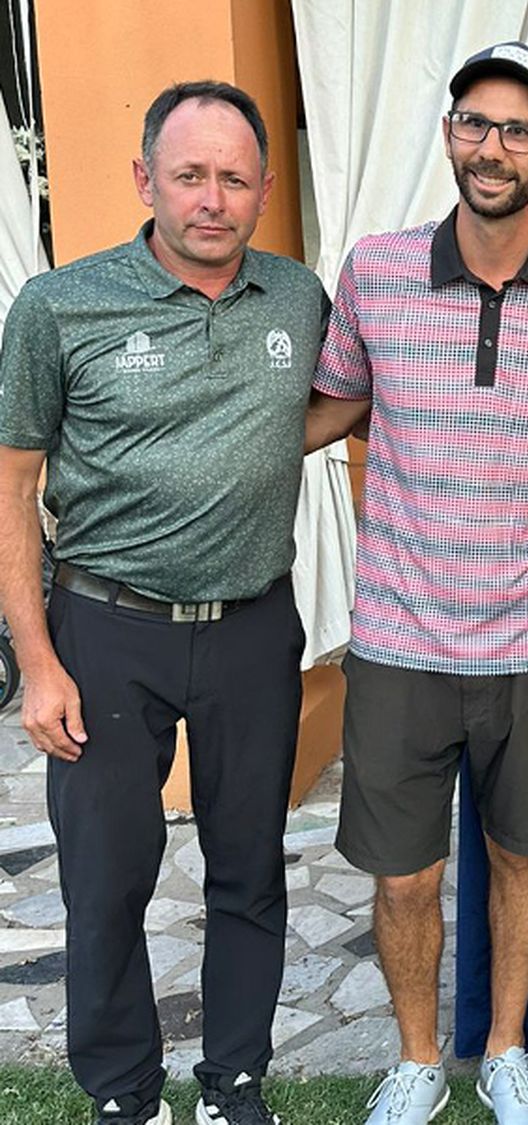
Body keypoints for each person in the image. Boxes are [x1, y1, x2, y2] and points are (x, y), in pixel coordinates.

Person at [304, 42, 528, 1125]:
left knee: (521, 861)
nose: (494, 148)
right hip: (400, 636)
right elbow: (335, 402)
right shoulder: (376, 268)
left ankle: (503, 1052)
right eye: (475, 124)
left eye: (519, 131)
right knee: (403, 878)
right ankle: (415, 1058)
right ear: (449, 135)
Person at [0, 82, 327, 1125]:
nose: (213, 200)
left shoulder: (299, 298)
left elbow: (340, 398)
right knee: (107, 882)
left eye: (236, 179)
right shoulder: (58, 307)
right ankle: (121, 1094)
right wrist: (37, 661)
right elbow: (10, 485)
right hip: (104, 631)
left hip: (252, 629)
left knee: (249, 874)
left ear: (266, 191)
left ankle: (235, 1080)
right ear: (146, 180)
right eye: (190, 176)